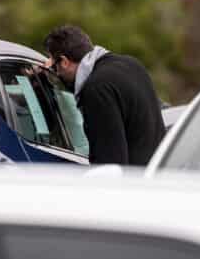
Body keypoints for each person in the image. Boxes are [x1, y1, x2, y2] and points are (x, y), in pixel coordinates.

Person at [43, 25, 165, 166]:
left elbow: (109, 162)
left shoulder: (96, 89)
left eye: (55, 67)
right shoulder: (131, 65)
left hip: (134, 183)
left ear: (64, 62)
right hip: (157, 176)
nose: (57, 73)